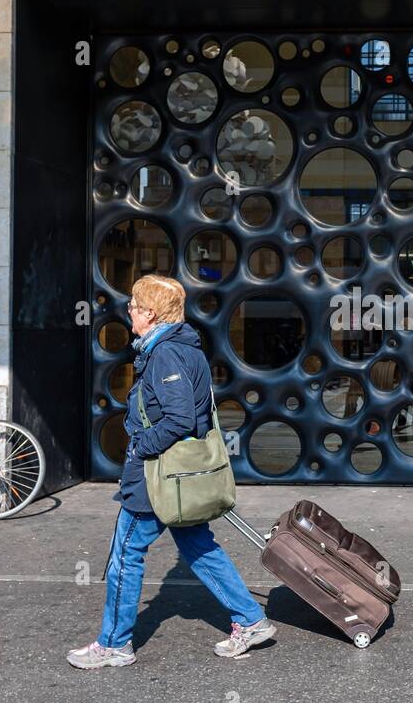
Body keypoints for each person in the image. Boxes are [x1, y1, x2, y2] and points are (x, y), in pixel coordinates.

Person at [67, 274, 276, 669]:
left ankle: (114, 644)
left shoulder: (165, 354)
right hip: (180, 480)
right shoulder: (183, 346)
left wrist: (141, 448)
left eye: (133, 305)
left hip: (159, 476)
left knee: (127, 553)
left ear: (149, 312)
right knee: (199, 545)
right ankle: (250, 619)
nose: (128, 310)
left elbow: (179, 417)